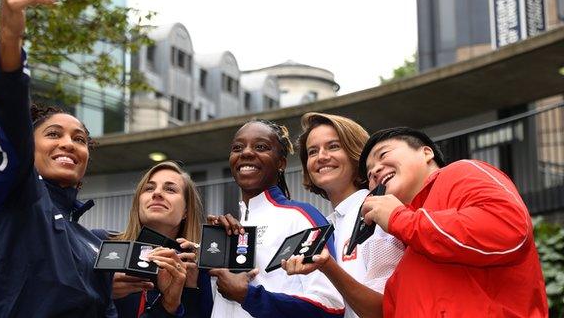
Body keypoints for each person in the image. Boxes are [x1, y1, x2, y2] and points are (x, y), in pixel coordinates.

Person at [0, 0, 116, 316]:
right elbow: (9, 114)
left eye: (79, 139)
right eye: (53, 134)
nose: (68, 144)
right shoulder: (19, 196)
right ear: (27, 149)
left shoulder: (93, 246)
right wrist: (10, 33)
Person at [359, 127, 548, 317]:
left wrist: (399, 218)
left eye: (383, 154)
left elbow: (509, 228)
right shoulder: (402, 265)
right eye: (369, 175)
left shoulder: (461, 172)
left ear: (426, 153)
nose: (375, 171)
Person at [207, 119, 345, 318]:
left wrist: (248, 296)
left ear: (281, 163)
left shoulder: (301, 216)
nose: (245, 153)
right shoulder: (227, 229)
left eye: (261, 147)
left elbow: (331, 307)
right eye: (237, 148)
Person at [281, 113, 404, 318]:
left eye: (333, 146)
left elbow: (387, 309)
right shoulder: (324, 226)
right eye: (313, 151)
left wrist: (327, 267)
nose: (321, 157)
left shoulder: (380, 210)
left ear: (357, 154)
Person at [95, 161, 211, 317]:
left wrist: (189, 289)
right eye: (149, 188)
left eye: (170, 189)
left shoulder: (194, 268)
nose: (157, 193)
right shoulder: (100, 242)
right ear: (138, 203)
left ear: (185, 211)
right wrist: (101, 290)